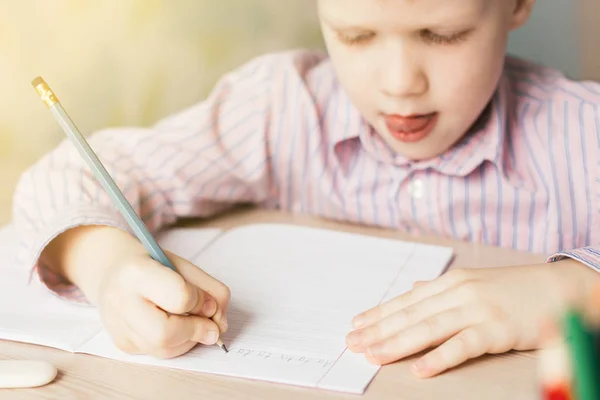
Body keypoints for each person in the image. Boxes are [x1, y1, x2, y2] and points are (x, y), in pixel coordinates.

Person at [12, 0, 600, 378]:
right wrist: (107, 264)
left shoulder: (580, 134)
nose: (400, 83)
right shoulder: (281, 108)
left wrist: (576, 291)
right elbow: (67, 176)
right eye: (357, 35)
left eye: (442, 35)